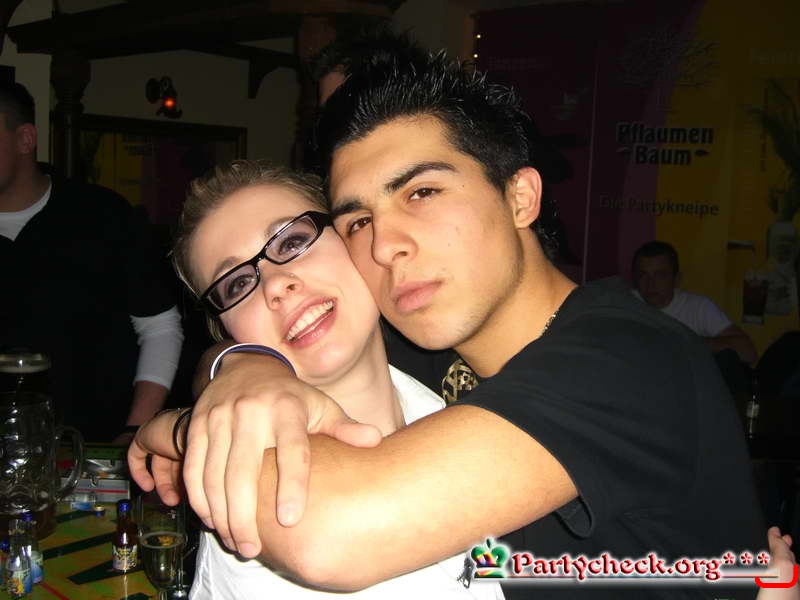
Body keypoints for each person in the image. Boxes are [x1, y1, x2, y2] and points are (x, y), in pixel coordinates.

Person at [151, 52, 768, 599]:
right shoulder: (419, 341)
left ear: (520, 197)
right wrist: (240, 369)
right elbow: (287, 336)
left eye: (421, 193)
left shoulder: (631, 359)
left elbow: (330, 536)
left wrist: (191, 431)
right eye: (359, 221)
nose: (386, 244)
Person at [128, 161, 504, 599]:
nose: (275, 285)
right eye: (237, 285)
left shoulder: (445, 395)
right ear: (227, 329)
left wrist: (223, 377)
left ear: (354, 238)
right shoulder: (261, 485)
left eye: (292, 241)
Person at [0, 81, 183, 443]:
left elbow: (160, 326)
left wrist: (135, 430)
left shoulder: (102, 215)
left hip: (96, 446)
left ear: (25, 139)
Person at [631, 240, 757, 365]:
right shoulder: (626, 303)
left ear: (676, 279)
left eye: (660, 275)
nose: (650, 284)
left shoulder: (698, 307)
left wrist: (691, 342)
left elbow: (748, 353)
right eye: (643, 275)